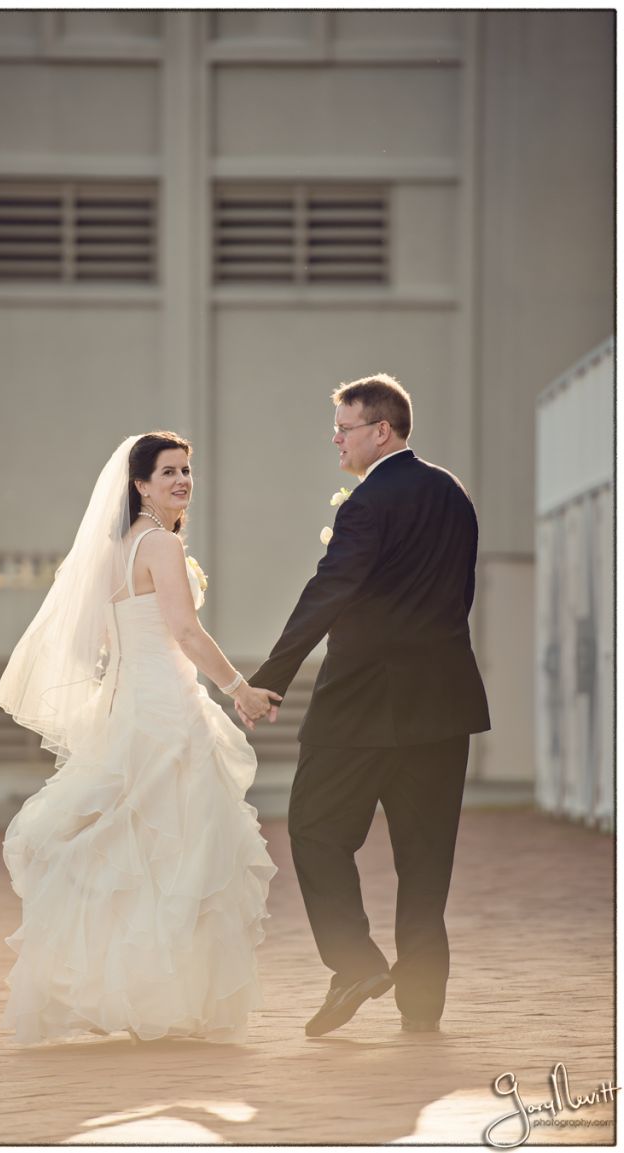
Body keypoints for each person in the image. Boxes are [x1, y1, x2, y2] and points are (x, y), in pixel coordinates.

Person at [0, 431, 280, 1045]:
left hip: (129, 708)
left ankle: (122, 992)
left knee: (133, 854)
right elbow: (185, 630)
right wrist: (240, 688)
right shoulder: (160, 546)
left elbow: (93, 639)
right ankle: (161, 997)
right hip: (168, 711)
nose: (182, 480)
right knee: (180, 854)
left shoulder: (114, 548)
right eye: (168, 472)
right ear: (140, 485)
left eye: (187, 470)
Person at [239, 374, 491, 1037]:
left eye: (345, 428)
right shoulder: (454, 496)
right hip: (443, 704)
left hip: (360, 703)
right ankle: (423, 1005)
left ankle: (354, 962)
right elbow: (456, 594)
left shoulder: (368, 503)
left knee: (315, 829)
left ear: (382, 429)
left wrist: (272, 676)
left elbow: (331, 590)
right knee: (426, 856)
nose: (336, 439)